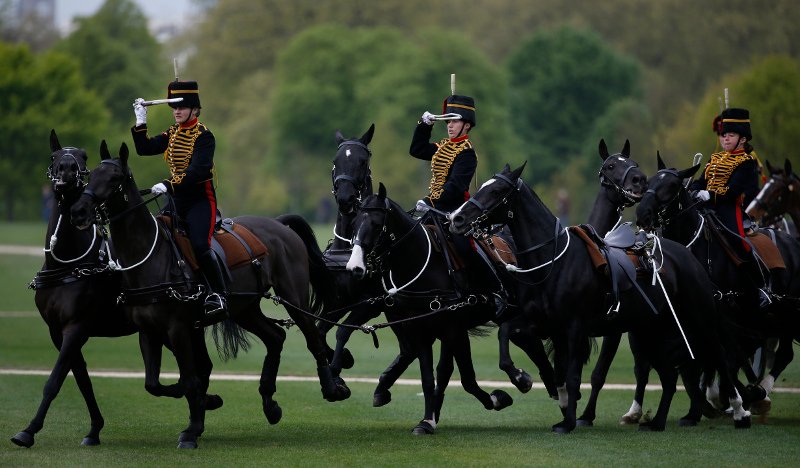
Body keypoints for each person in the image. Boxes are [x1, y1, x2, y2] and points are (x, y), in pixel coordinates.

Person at [131, 80, 228, 326]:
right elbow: (144, 148)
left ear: (195, 109)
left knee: (199, 244)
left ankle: (219, 294)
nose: (177, 111)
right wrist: (141, 122)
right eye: (174, 107)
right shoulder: (172, 133)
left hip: (199, 201)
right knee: (157, 238)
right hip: (175, 201)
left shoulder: (205, 137)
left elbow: (198, 171)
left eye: (182, 107)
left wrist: (169, 184)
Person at [410, 94, 505, 313]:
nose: (449, 126)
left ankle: (494, 290)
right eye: (448, 122)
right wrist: (424, 126)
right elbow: (416, 150)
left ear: (467, 125)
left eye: (454, 121)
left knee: (465, 247)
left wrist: (430, 200)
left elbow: (454, 187)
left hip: (456, 210)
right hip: (431, 209)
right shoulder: (442, 146)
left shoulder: (467, 153)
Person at [690, 107, 781, 300]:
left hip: (728, 209)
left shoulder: (746, 161)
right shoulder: (714, 159)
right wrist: (695, 190)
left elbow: (734, 190)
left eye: (731, 135)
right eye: (723, 136)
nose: (726, 139)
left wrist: (710, 195)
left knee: (739, 242)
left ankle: (760, 286)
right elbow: (701, 180)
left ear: (743, 139)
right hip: (705, 208)